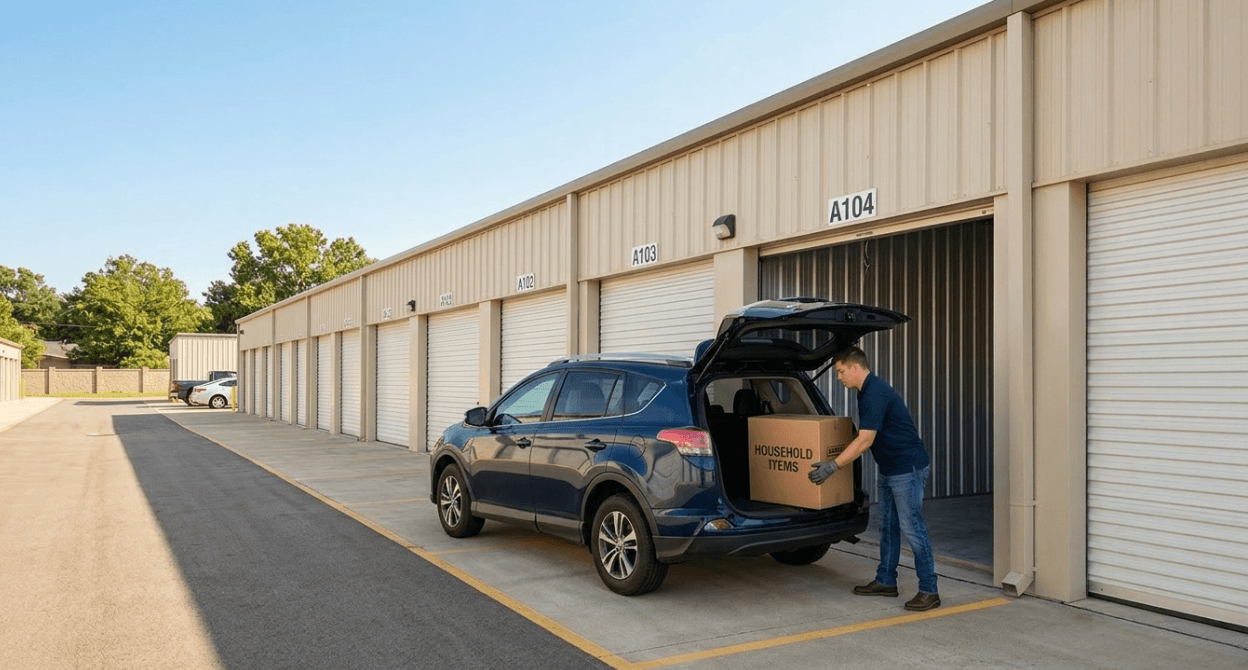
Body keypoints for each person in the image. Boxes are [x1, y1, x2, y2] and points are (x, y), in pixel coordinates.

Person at [807, 345, 940, 611]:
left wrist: (833, 467)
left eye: (841, 371)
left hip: (907, 469)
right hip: (891, 468)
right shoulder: (865, 391)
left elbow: (865, 440)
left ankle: (929, 590)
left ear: (855, 367)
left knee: (913, 528)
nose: (839, 377)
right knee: (889, 527)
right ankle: (886, 581)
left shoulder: (875, 392)